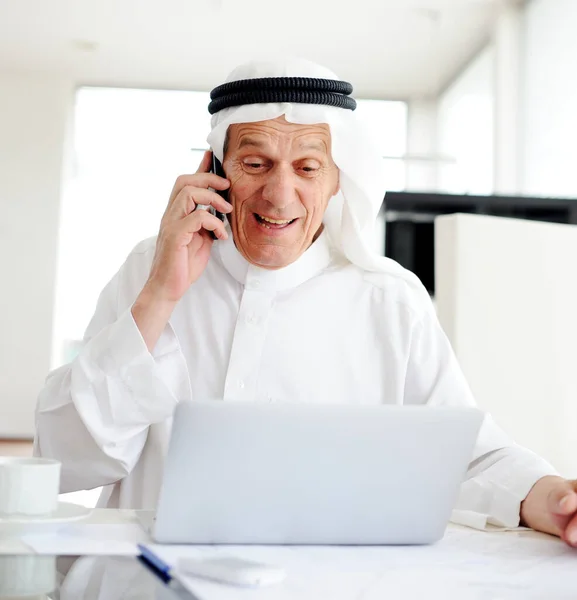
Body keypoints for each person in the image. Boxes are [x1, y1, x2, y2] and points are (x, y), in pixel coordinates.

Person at [35, 58, 577, 546]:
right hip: (150, 583)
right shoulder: (149, 268)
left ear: (339, 179)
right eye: (255, 163)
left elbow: (469, 458)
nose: (279, 193)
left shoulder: (389, 299)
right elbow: (64, 460)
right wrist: (161, 294)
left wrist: (553, 497)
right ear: (215, 168)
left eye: (308, 168)